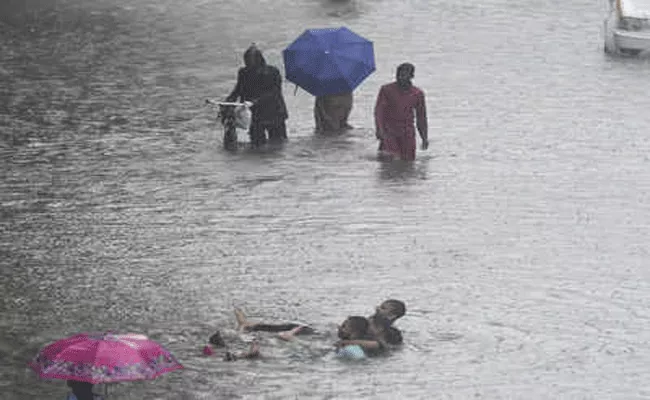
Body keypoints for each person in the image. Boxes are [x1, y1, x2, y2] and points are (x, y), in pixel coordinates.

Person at [226, 44, 289, 147]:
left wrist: (255, 101)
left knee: (278, 143)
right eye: (246, 61)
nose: (248, 64)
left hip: (274, 113)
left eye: (250, 61)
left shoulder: (272, 72)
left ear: (259, 60)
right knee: (256, 144)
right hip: (255, 115)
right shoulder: (244, 73)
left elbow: (274, 92)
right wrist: (228, 102)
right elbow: (238, 90)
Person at [374, 63, 428, 161]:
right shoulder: (386, 90)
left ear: (411, 76)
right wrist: (379, 129)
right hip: (389, 132)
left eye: (404, 75)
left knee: (408, 163)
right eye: (399, 75)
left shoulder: (417, 93)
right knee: (390, 161)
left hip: (407, 133)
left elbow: (421, 118)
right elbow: (379, 112)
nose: (401, 78)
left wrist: (424, 138)